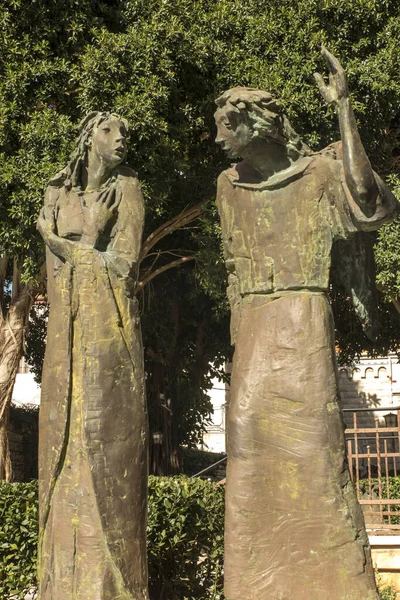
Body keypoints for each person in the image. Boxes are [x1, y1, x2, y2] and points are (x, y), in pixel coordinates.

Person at [215, 48, 398, 600]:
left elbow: (368, 202)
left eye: (228, 125)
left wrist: (344, 108)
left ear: (257, 124)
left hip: (302, 324)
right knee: (248, 463)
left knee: (314, 457)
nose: (220, 137)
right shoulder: (227, 185)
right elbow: (229, 266)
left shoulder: (320, 173)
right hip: (251, 328)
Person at [37, 112, 149, 600]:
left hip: (109, 341)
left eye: (124, 132)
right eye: (109, 130)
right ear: (88, 139)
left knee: (107, 452)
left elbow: (123, 266)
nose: (121, 138)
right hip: (65, 343)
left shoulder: (129, 190)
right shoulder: (56, 196)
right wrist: (80, 244)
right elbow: (56, 282)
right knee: (62, 462)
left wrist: (66, 242)